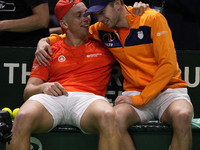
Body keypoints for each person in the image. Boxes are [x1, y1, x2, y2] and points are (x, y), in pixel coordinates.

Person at [35, 0, 194, 150]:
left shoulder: (152, 18)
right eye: (97, 14)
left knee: (183, 115)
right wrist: (45, 41)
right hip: (135, 93)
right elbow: (72, 34)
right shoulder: (103, 29)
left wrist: (141, 98)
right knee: (114, 118)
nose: (100, 18)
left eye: (103, 12)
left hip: (167, 92)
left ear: (118, 3)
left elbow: (168, 65)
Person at [5, 0, 123, 150]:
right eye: (78, 15)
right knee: (21, 117)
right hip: (53, 99)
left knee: (108, 115)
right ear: (64, 24)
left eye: (86, 14)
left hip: (88, 100)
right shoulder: (48, 50)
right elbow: (28, 91)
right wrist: (44, 87)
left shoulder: (105, 45)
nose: (86, 18)